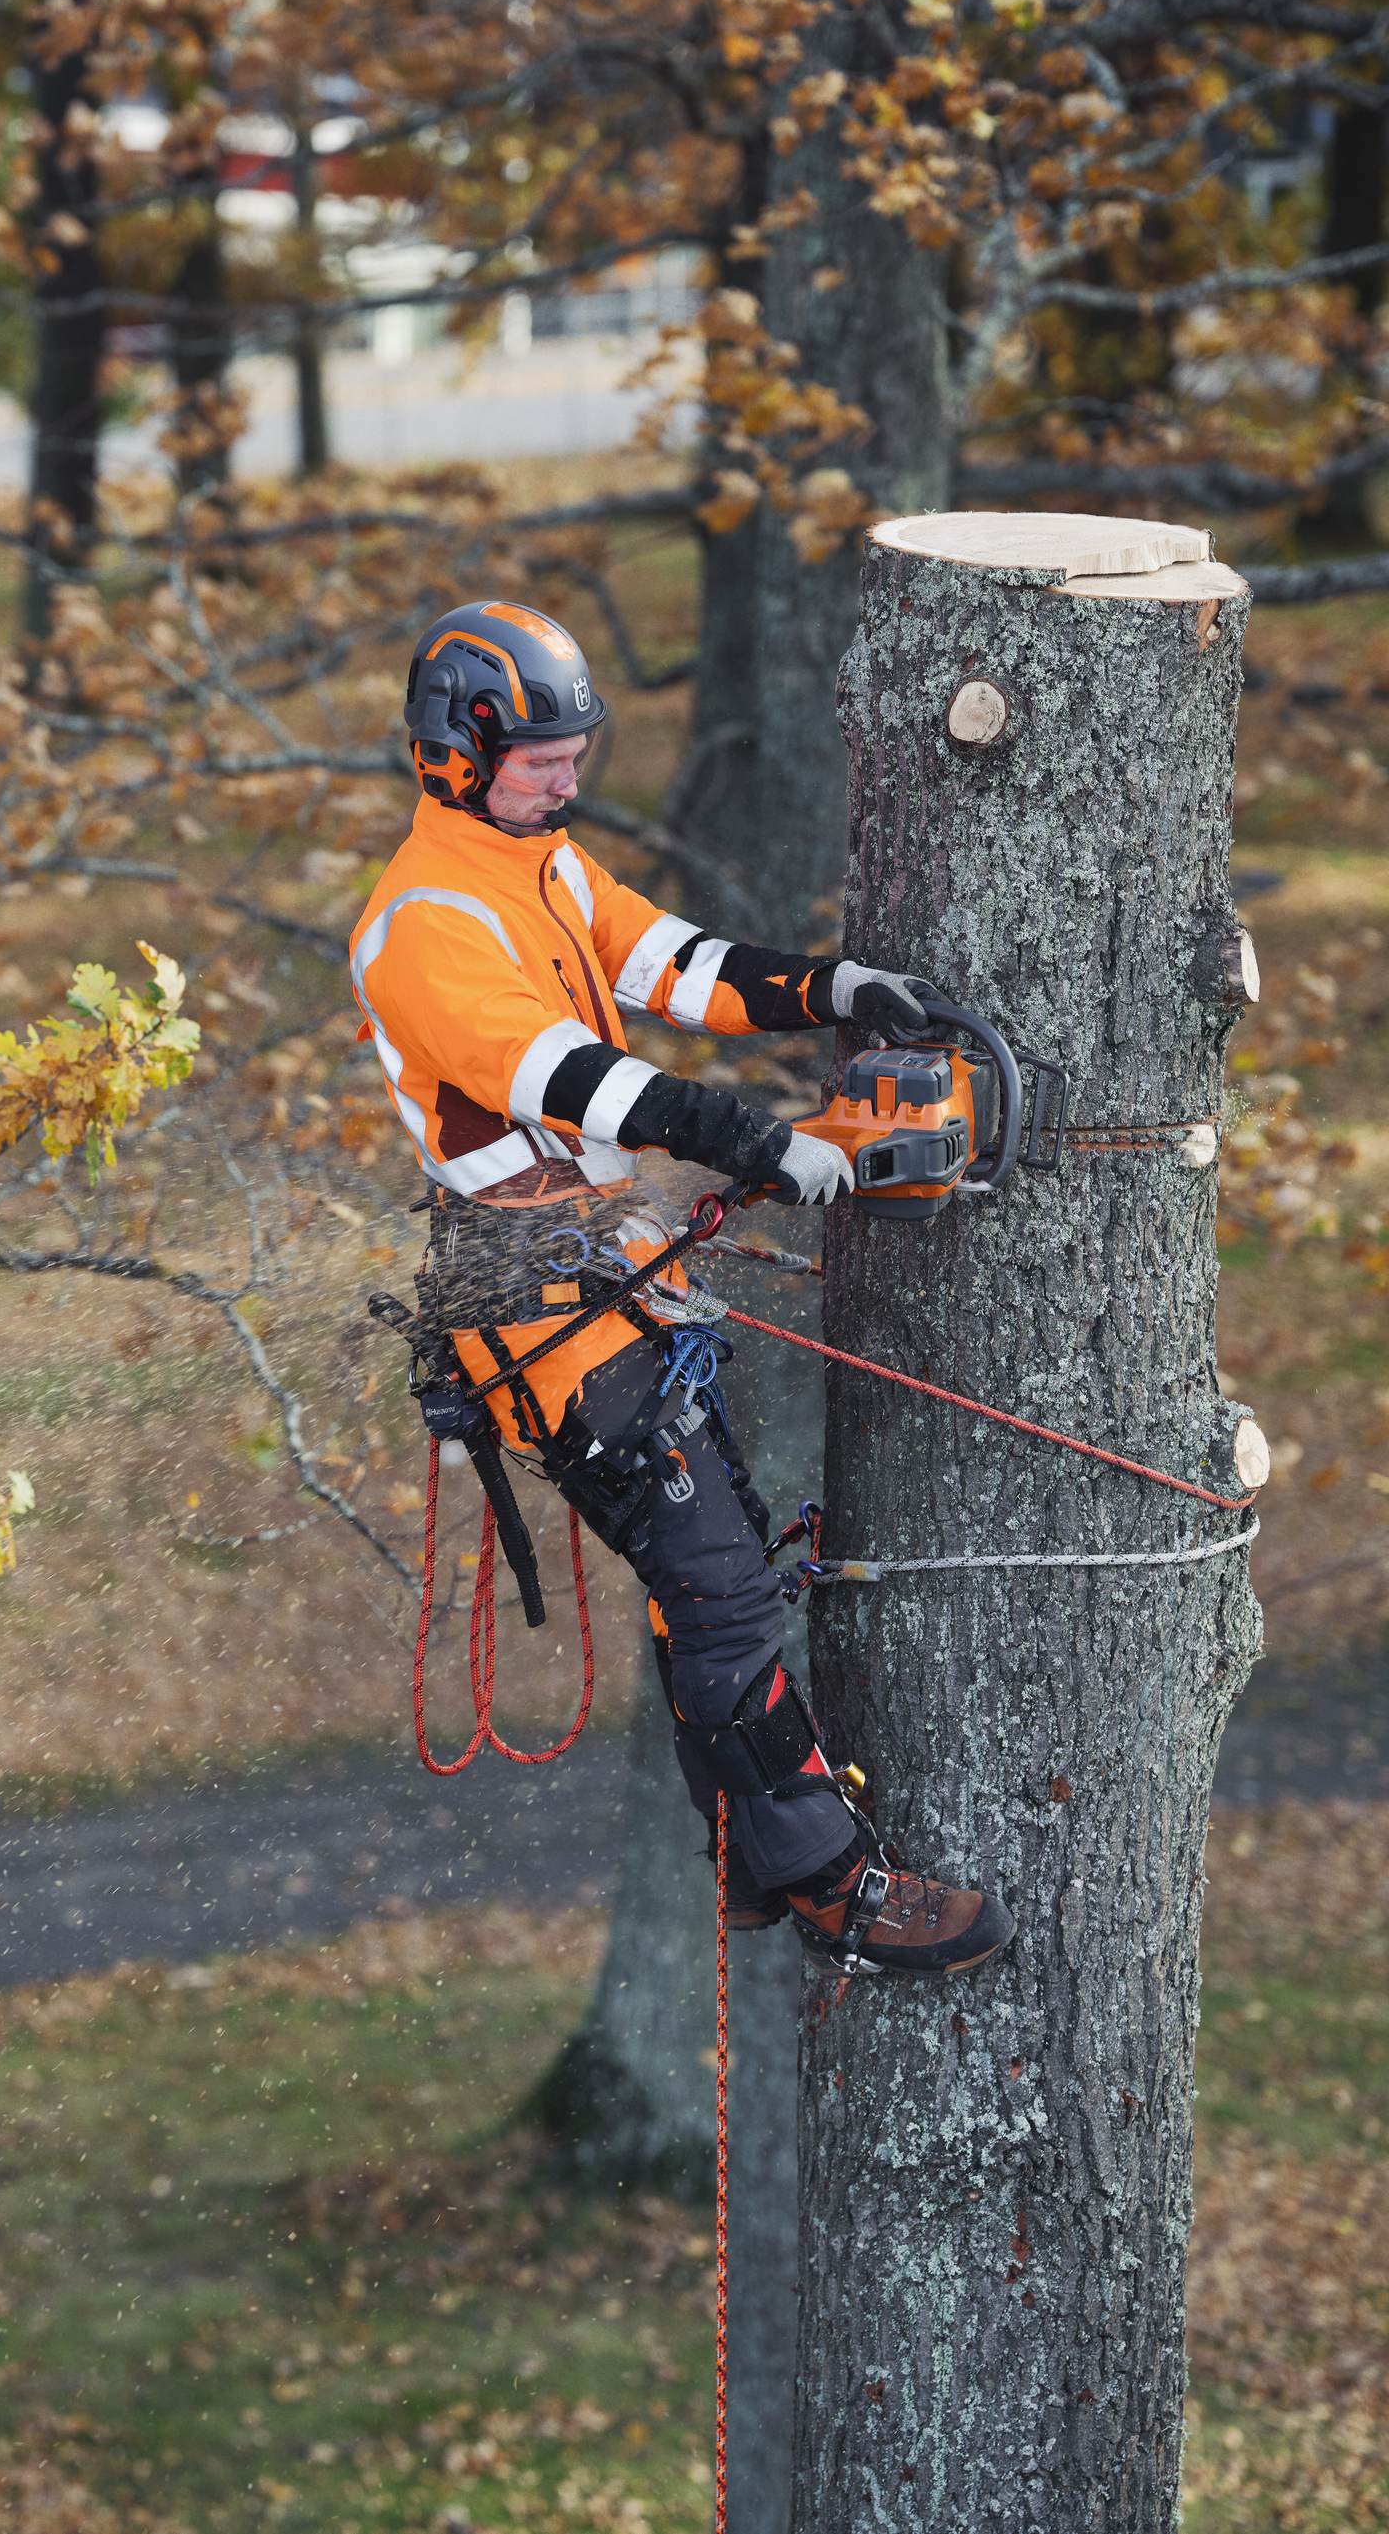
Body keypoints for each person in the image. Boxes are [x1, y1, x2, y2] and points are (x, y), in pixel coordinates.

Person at [350, 599, 1009, 1975]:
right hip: (541, 1319)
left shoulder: (539, 866)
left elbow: (670, 963)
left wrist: (835, 991)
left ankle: (758, 1860)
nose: (567, 778)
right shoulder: (421, 923)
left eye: (574, 753)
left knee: (716, 1573)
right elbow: (572, 1077)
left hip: (603, 1282)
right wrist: (762, 1142)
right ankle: (832, 1888)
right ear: (456, 752)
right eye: (541, 758)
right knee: (716, 1591)